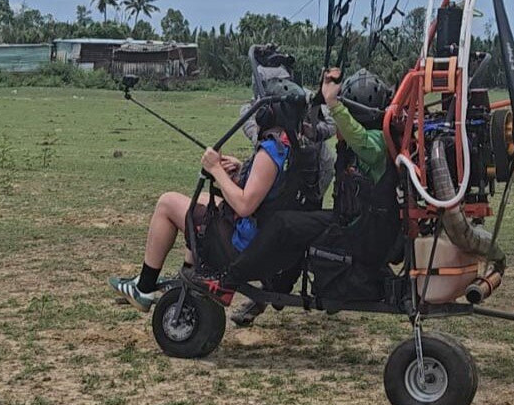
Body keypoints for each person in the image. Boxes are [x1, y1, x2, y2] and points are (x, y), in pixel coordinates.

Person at [184, 66, 400, 306]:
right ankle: (279, 286)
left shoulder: (377, 141)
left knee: (284, 224)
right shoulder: (373, 136)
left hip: (364, 229)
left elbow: (359, 138)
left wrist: (335, 105)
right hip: (355, 222)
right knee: (298, 221)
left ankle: (229, 280)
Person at [109, 78, 307, 312]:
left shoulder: (271, 150)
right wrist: (241, 169)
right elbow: (268, 189)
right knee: (202, 203)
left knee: (167, 203)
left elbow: (244, 205)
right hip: (267, 236)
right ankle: (190, 276)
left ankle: (143, 287)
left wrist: (215, 170)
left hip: (246, 245)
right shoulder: (294, 144)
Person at [229, 92, 337, 326]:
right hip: (285, 178)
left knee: (294, 232)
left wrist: (309, 129)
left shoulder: (306, 102)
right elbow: (250, 120)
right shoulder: (272, 134)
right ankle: (274, 290)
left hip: (309, 183)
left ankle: (277, 289)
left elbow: (330, 124)